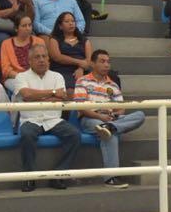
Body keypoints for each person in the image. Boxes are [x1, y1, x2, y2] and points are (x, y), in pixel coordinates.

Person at [74, 49, 144, 189]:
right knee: (108, 133)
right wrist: (100, 116)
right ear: (93, 64)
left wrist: (115, 116)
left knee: (140, 115)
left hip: (111, 118)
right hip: (90, 118)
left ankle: (111, 126)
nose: (107, 65)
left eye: (108, 62)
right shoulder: (83, 81)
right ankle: (111, 177)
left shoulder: (113, 85)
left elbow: (121, 107)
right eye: (102, 61)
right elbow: (81, 108)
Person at [15, 44, 82, 192]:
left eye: (44, 56)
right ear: (30, 61)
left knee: (75, 135)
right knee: (26, 135)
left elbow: (60, 99)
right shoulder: (21, 76)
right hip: (30, 119)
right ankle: (29, 177)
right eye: (37, 57)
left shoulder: (57, 76)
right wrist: (52, 92)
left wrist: (37, 98)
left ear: (49, 60)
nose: (41, 60)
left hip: (53, 120)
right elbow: (26, 95)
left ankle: (58, 174)